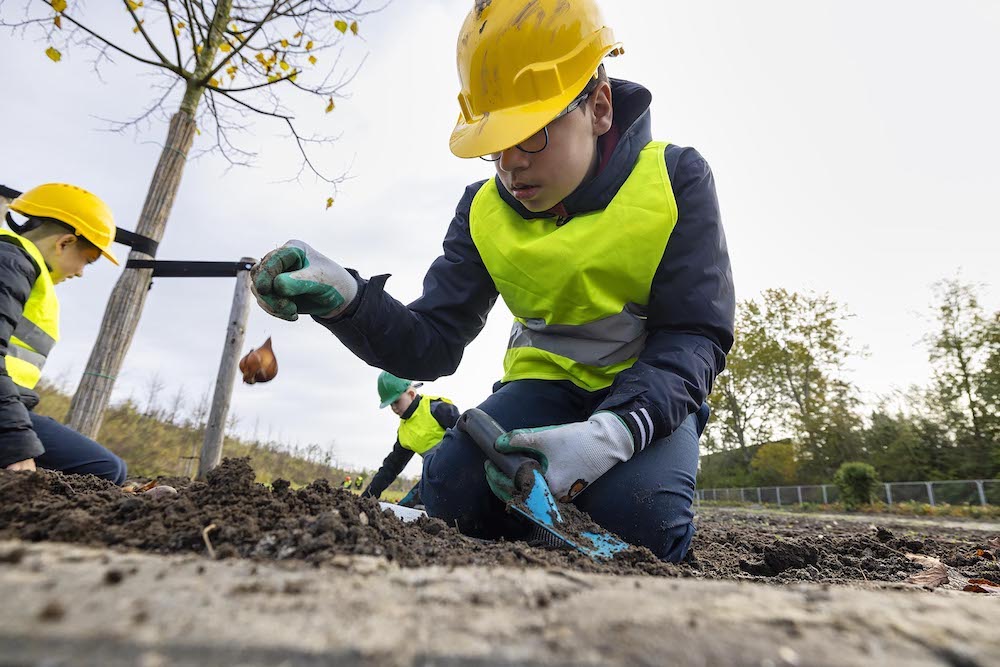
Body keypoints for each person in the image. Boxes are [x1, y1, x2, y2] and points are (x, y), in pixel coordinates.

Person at [250, 0, 734, 562]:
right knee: (453, 487)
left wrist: (613, 435)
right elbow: (432, 343)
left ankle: (592, 497)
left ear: (598, 107)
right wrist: (349, 301)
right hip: (542, 389)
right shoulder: (481, 210)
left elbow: (697, 334)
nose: (511, 164)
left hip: (646, 395)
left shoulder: (675, 179)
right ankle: (538, 525)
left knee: (643, 521)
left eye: (531, 135)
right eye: (494, 143)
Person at [1, 183, 128, 484]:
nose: (82, 271)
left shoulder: (20, 267)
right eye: (89, 259)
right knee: (105, 471)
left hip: (9, 406)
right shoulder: (10, 264)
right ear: (65, 242)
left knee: (113, 470)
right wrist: (17, 447)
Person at [360, 371, 460, 508]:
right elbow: (391, 468)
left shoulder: (436, 408)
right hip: (434, 478)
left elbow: (466, 433)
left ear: (411, 394)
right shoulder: (404, 433)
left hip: (461, 468)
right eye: (390, 404)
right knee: (405, 507)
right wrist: (367, 496)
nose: (394, 408)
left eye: (396, 401)